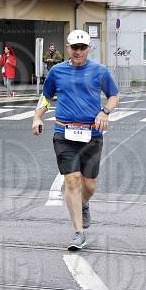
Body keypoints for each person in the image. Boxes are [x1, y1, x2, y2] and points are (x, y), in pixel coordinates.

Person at [32, 30, 119, 251]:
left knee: (89, 184)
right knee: (72, 180)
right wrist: (37, 117)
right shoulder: (57, 71)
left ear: (89, 48)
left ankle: (84, 204)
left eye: (82, 47)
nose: (78, 51)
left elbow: (114, 95)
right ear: (68, 48)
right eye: (74, 47)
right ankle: (78, 233)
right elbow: (46, 96)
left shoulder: (100, 71)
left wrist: (105, 112)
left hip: (92, 134)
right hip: (64, 133)